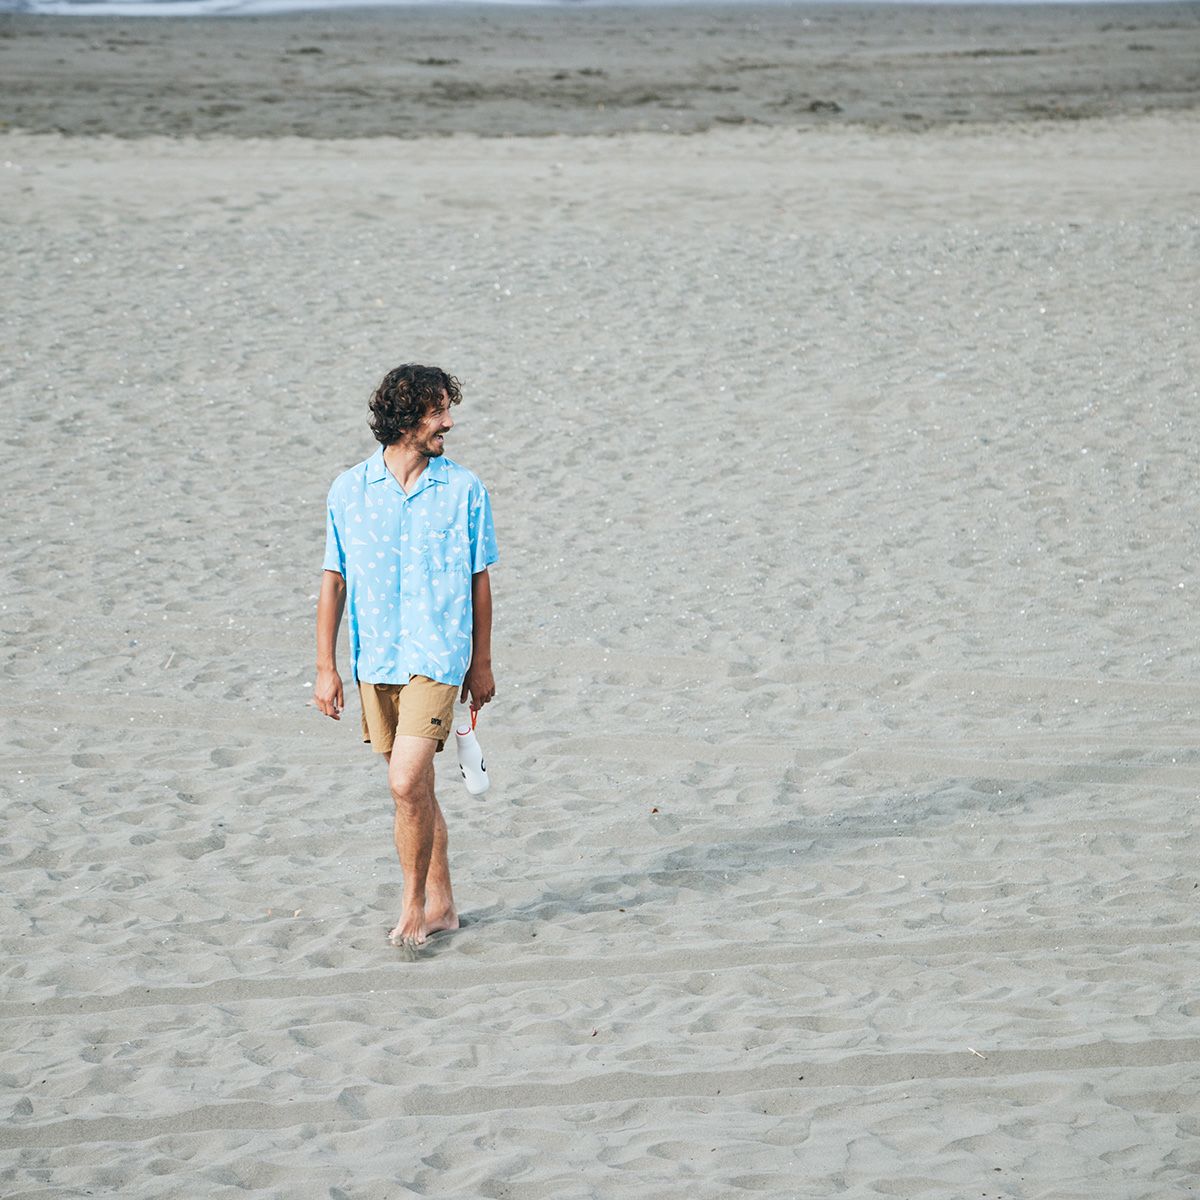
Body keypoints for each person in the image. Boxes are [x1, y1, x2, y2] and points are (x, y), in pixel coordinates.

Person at [314, 364, 497, 949]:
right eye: (437, 411)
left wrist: (481, 662)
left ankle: (413, 905)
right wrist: (326, 667)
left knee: (403, 782)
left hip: (438, 658)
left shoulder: (465, 490)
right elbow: (334, 580)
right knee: (416, 791)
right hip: (377, 658)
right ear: (405, 418)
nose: (449, 422)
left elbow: (479, 581)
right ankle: (444, 906)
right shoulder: (348, 491)